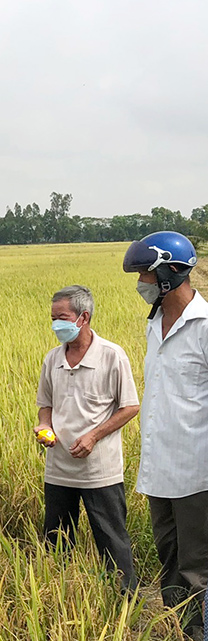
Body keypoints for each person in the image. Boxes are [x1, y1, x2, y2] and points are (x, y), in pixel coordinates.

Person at [123, 231, 208, 637]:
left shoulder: (205, 327)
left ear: (169, 273)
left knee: (197, 569)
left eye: (145, 273)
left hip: (197, 474)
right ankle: (180, 630)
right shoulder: (154, 324)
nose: (141, 282)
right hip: (159, 471)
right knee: (169, 562)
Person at [35, 285, 140, 592]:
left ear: (84, 317)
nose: (56, 324)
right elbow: (45, 405)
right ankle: (59, 592)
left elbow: (130, 406)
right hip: (59, 469)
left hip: (99, 472)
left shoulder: (111, 355)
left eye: (62, 317)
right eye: (53, 318)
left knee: (111, 538)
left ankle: (124, 600)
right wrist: (45, 427)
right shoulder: (52, 358)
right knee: (56, 539)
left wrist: (94, 436)